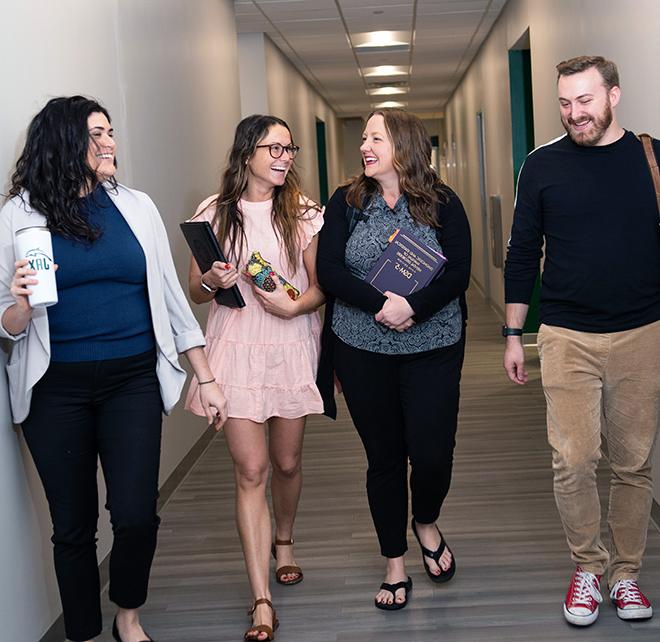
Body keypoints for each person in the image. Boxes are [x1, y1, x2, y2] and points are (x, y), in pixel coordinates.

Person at [0, 96, 228, 642]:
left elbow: (172, 298)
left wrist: (206, 375)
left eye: (110, 132)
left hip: (132, 380)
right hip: (56, 390)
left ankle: (128, 614)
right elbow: (7, 324)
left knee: (135, 515)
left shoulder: (135, 206)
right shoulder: (20, 215)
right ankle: (82, 631)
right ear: (63, 143)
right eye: (97, 134)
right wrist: (22, 306)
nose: (110, 143)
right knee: (73, 526)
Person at [503, 56, 660, 627]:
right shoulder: (542, 165)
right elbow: (522, 250)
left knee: (633, 462)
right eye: (565, 103)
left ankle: (626, 577)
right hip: (566, 333)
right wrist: (513, 331)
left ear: (613, 95)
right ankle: (588, 569)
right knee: (573, 459)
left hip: (644, 332)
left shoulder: (651, 159)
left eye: (585, 101)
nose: (574, 114)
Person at [316, 108, 471, 610]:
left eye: (375, 138)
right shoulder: (346, 202)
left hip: (433, 347)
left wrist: (414, 306)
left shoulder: (443, 202)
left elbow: (457, 274)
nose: (365, 146)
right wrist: (382, 305)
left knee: (431, 454)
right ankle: (394, 563)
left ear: (403, 144)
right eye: (363, 137)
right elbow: (329, 270)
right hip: (362, 348)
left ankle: (425, 520)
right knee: (383, 460)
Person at [184, 114, 324, 641]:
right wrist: (212, 278)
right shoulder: (214, 213)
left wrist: (294, 309)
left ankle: (283, 539)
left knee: (287, 463)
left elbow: (319, 288)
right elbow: (195, 291)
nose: (286, 156)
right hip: (235, 349)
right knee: (253, 470)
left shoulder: (306, 214)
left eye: (290, 148)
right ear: (247, 153)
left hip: (289, 345)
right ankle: (260, 598)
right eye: (275, 148)